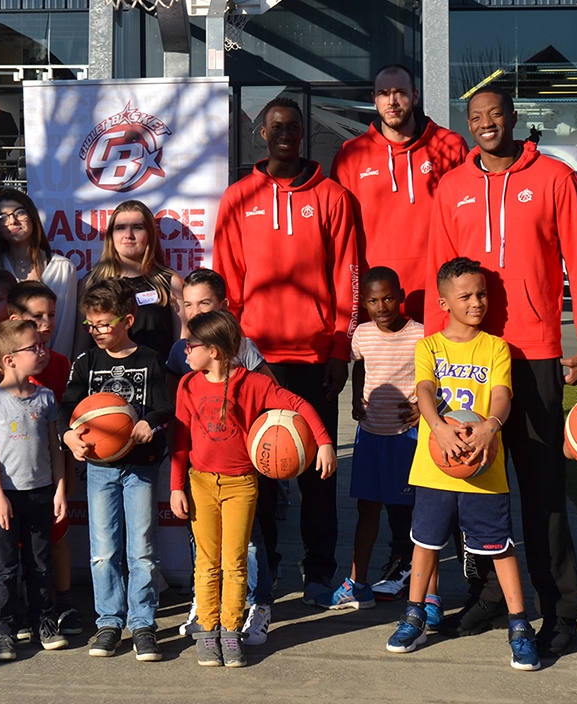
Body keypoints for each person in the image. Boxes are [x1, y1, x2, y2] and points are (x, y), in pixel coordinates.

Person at [426, 86, 577, 655]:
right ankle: (493, 598)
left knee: (543, 490)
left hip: (536, 351)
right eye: (475, 118)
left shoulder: (554, 177)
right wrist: (435, 351)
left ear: (513, 118)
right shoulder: (451, 187)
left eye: (495, 114)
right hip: (469, 358)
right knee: (472, 481)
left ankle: (561, 609)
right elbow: (439, 277)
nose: (486, 124)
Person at [213, 97, 358, 604]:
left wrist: (341, 347)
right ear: (261, 133)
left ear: (303, 134)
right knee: (260, 474)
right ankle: (264, 577)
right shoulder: (238, 197)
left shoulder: (333, 197)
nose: (285, 135)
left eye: (293, 128)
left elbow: (348, 278)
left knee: (319, 473)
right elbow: (227, 285)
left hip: (315, 357)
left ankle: (319, 574)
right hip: (256, 361)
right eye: (276, 127)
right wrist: (230, 352)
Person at [386, 257, 539, 673]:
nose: (477, 302)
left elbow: (502, 395)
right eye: (466, 295)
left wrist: (491, 426)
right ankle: (415, 614)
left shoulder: (495, 347)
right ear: (443, 302)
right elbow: (424, 389)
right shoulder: (429, 346)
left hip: (484, 467)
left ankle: (520, 626)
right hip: (436, 468)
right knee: (426, 544)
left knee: (501, 548)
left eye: (482, 294)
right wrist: (437, 427)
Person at [170, 310, 335, 668]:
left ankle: (230, 631)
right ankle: (208, 629)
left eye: (190, 344)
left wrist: (323, 442)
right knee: (207, 562)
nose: (184, 350)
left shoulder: (254, 384)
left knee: (234, 561)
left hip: (241, 484)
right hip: (199, 482)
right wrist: (175, 487)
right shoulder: (187, 386)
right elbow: (180, 440)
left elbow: (298, 404)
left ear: (213, 350)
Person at [60, 279, 174, 662]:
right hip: (98, 468)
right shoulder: (87, 361)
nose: (95, 332)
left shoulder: (150, 359)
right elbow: (66, 407)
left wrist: (151, 422)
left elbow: (165, 406)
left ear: (128, 319)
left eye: (103, 324)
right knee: (104, 550)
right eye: (90, 325)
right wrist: (68, 436)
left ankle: (143, 623)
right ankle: (109, 621)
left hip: (140, 467)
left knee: (142, 549)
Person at [163, 267, 277, 646]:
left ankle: (258, 604)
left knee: (249, 541)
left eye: (204, 303)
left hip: (240, 469)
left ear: (224, 308)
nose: (195, 311)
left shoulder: (243, 350)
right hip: (203, 469)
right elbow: (177, 415)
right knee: (207, 545)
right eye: (188, 304)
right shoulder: (182, 353)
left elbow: (273, 402)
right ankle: (206, 604)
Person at [332, 64, 468, 321]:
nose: (392, 101)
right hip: (378, 306)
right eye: (383, 93)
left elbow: (465, 223)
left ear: (415, 96)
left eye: (400, 92)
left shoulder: (450, 146)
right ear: (374, 100)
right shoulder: (351, 155)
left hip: (438, 299)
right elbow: (342, 240)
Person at [329, 267, 427, 613]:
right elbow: (360, 366)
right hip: (370, 435)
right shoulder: (363, 335)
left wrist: (422, 408)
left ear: (400, 296)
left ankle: (419, 587)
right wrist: (357, 398)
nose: (382, 306)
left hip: (407, 438)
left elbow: (436, 375)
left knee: (411, 512)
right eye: (373, 300)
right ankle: (357, 583)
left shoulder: (421, 335)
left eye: (387, 298)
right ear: (364, 304)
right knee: (366, 510)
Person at [0, 319, 69, 662]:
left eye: (42, 345)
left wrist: (59, 489)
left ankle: (44, 621)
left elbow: (54, 447)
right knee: (3, 567)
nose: (41, 351)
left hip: (41, 493)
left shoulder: (45, 398)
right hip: (6, 496)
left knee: (40, 563)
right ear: (9, 360)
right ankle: (3, 629)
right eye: (33, 348)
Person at [4, 280, 82, 634]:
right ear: (15, 319)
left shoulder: (63, 363)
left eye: (51, 315)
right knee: (14, 542)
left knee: (55, 535)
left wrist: (66, 476)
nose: (47, 323)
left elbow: (67, 423)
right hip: (13, 473)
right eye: (37, 317)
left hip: (52, 470)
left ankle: (63, 602)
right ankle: (16, 606)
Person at [79, 199, 183, 363]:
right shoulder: (91, 282)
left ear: (150, 234)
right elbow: (81, 349)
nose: (129, 235)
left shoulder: (170, 283)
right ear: (111, 236)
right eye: (120, 228)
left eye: (138, 227)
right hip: (104, 384)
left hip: (156, 383)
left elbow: (181, 349)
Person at [0, 189, 78, 355]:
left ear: (32, 216)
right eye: (2, 217)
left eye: (19, 213)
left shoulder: (63, 268)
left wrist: (55, 367)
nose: (12, 221)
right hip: (6, 367)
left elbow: (65, 330)